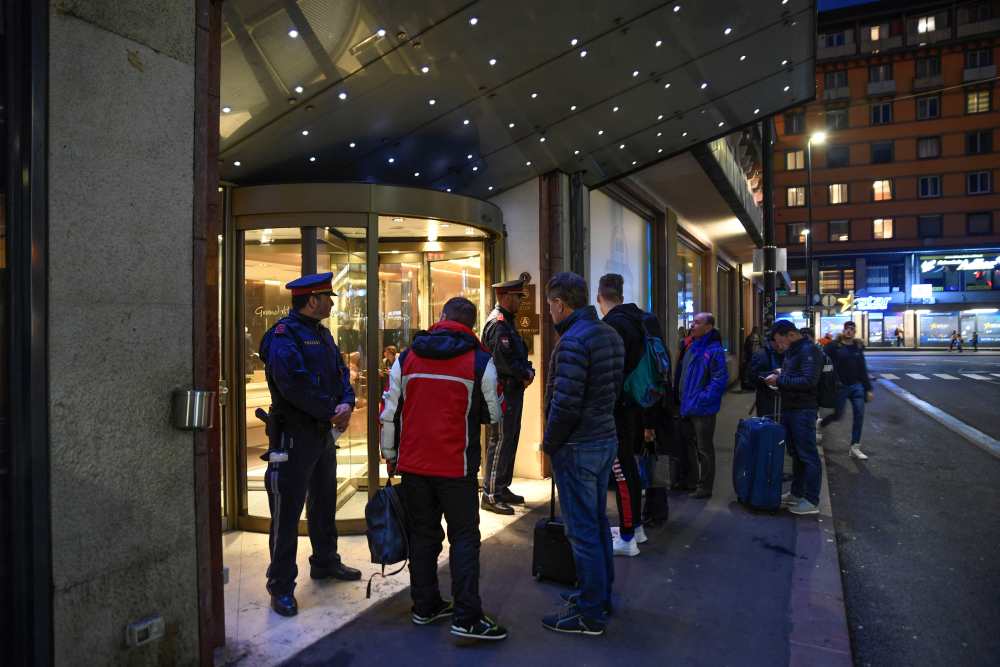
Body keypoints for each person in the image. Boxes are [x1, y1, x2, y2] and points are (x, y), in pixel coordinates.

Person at [379, 297, 507, 641]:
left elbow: (389, 412)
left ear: (441, 318)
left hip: (414, 467)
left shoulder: (406, 358)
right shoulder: (480, 361)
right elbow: (494, 414)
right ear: (472, 325)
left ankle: (425, 605)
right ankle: (467, 617)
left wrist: (390, 453)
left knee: (423, 534)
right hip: (457, 468)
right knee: (464, 539)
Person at [258, 272, 361, 618]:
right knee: (286, 515)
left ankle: (325, 562)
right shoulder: (283, 337)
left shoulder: (322, 334)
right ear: (312, 300)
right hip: (294, 435)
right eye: (327, 297)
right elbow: (292, 385)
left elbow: (341, 374)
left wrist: (347, 402)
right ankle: (281, 585)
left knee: (323, 502)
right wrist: (332, 411)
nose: (332, 302)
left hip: (321, 434)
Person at [540, 272, 624, 636]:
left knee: (584, 531)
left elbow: (566, 404)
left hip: (579, 446)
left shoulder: (574, 341)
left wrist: (549, 443)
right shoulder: (608, 333)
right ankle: (599, 597)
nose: (548, 312)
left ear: (560, 304)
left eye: (549, 306)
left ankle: (590, 613)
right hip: (603, 439)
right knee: (598, 525)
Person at [596, 273, 646, 557]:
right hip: (635, 406)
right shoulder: (638, 321)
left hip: (618, 409)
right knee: (630, 467)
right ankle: (636, 526)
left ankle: (627, 537)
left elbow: (609, 373)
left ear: (599, 296)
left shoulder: (612, 326)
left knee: (621, 472)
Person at [481, 279, 536, 515]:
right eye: (517, 298)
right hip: (502, 391)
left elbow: (515, 355)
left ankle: (501, 487)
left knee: (509, 439)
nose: (520, 302)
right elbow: (502, 361)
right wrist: (524, 373)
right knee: (500, 440)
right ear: (505, 297)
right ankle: (490, 494)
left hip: (512, 390)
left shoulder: (507, 322)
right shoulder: (499, 324)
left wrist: (527, 371)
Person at [765, 320, 823, 516]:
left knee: (807, 455)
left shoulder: (808, 350)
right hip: (791, 408)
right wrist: (781, 375)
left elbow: (809, 381)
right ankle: (797, 494)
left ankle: (812, 500)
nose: (779, 346)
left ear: (790, 334)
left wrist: (780, 380)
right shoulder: (794, 351)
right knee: (796, 454)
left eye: (780, 341)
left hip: (803, 410)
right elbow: (797, 375)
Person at [678, 312, 728, 499]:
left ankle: (705, 487)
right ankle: (692, 481)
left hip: (701, 407)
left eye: (697, 323)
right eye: (693, 322)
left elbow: (719, 379)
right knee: (691, 446)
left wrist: (703, 398)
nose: (692, 325)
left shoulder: (713, 350)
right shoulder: (693, 346)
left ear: (709, 327)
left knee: (704, 449)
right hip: (689, 404)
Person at [819, 321, 874, 459]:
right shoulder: (834, 346)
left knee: (859, 414)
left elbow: (862, 368)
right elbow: (822, 358)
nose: (849, 331)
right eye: (847, 329)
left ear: (855, 332)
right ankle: (821, 424)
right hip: (840, 386)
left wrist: (868, 388)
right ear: (843, 331)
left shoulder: (857, 347)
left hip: (857, 386)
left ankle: (855, 446)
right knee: (838, 415)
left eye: (852, 329)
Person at [749, 339, 783, 418]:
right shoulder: (760, 354)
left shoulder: (786, 353)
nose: (781, 346)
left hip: (782, 400)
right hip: (765, 399)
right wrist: (771, 375)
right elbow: (752, 376)